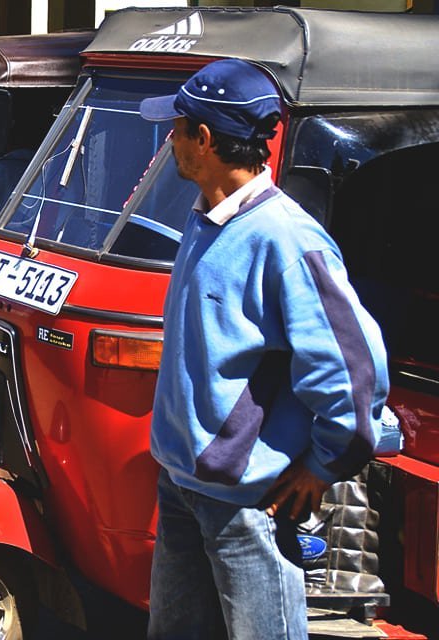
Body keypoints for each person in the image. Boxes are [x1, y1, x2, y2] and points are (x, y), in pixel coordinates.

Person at [139, 59, 389, 640]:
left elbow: (355, 368)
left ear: (203, 140)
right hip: (181, 483)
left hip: (244, 502)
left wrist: (325, 465)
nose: (170, 139)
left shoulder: (287, 238)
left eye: (177, 128)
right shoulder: (205, 218)